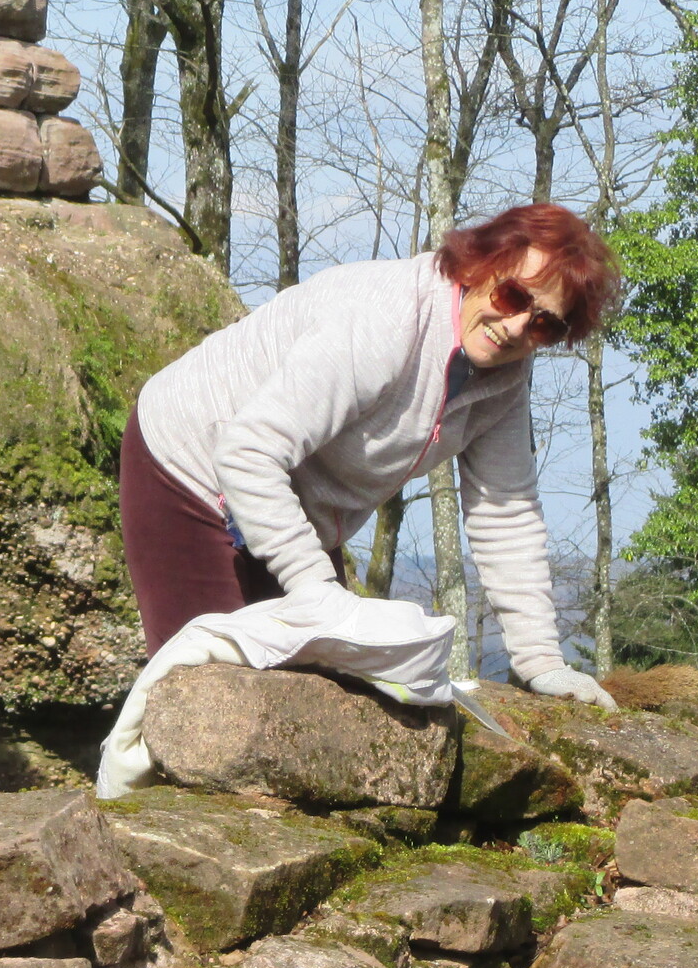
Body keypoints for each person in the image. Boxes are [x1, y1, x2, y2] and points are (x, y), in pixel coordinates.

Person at [117, 202, 622, 710]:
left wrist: (541, 662)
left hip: (290, 502)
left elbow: (505, 512)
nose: (515, 327)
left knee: (325, 701)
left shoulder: (506, 377)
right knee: (210, 697)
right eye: (512, 295)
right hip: (192, 467)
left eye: (544, 325)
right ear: (479, 265)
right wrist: (317, 593)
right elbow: (247, 452)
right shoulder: (386, 317)